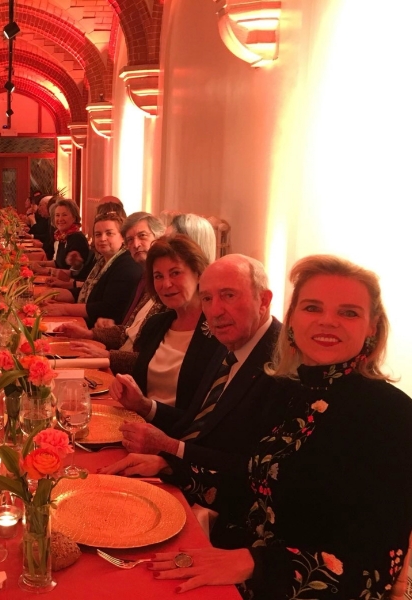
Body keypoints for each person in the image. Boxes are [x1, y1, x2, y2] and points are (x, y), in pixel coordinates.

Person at [143, 255, 412, 599]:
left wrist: (255, 563)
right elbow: (256, 487)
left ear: (372, 326)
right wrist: (172, 469)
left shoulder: (392, 416)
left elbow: (375, 567)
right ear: (293, 317)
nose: (327, 322)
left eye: (348, 312)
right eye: (312, 308)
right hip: (236, 561)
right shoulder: (290, 389)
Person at [101, 254, 282, 476]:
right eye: (207, 298)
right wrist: (144, 406)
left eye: (229, 295)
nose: (215, 311)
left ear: (263, 300)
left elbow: (258, 469)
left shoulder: (283, 365)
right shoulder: (229, 342)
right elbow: (197, 423)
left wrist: (170, 452)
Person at [106, 236, 222, 432]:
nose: (166, 284)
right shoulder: (156, 325)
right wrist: (124, 385)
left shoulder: (218, 334)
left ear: (198, 274)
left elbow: (203, 420)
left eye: (175, 273)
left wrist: (146, 407)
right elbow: (141, 384)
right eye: (158, 276)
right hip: (137, 426)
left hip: (175, 440)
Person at [57, 212, 166, 350]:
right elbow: (128, 329)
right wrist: (95, 333)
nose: (136, 244)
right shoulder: (142, 275)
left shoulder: (131, 267)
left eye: (142, 236)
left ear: (160, 238)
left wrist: (64, 309)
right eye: (130, 239)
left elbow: (110, 309)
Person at [43, 211, 142, 327]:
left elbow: (108, 308)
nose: (102, 238)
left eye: (109, 233)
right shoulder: (102, 260)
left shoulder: (127, 264)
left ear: (123, 237)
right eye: (98, 234)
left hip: (98, 329)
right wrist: (53, 294)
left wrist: (63, 309)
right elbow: (88, 293)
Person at [34, 198, 89, 277]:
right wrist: (37, 263)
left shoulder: (77, 238)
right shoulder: (62, 236)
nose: (60, 219)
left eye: (64, 215)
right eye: (57, 215)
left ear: (74, 217)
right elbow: (57, 263)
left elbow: (72, 274)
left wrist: (44, 270)